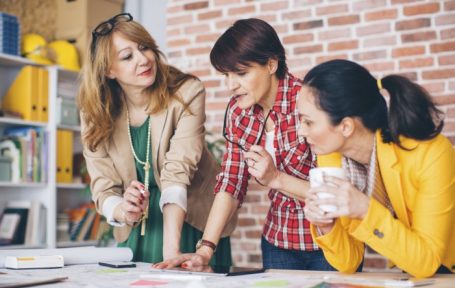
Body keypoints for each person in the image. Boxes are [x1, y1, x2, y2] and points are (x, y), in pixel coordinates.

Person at [155, 18, 335, 271]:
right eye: (226, 75)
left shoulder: (309, 103)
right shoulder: (240, 112)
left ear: (271, 64)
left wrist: (275, 177)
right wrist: (205, 250)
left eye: (241, 73)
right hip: (279, 241)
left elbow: (335, 189)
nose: (231, 85)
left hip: (329, 243)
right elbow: (231, 180)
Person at [78, 13, 236, 264]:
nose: (143, 60)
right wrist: (123, 209)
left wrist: (171, 253)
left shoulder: (187, 92)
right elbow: (102, 186)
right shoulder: (95, 113)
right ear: (108, 70)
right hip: (138, 229)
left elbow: (178, 172)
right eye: (128, 56)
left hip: (191, 220)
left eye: (144, 48)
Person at [297, 59, 455, 278]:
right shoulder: (332, 158)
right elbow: (348, 262)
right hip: (418, 275)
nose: (300, 131)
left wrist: (364, 209)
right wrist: (327, 226)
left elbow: (426, 261)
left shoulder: (431, 153)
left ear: (345, 126)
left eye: (308, 122)